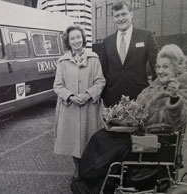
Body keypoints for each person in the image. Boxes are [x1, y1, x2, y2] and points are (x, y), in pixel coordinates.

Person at [71, 44, 187, 194]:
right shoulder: (155, 86)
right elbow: (138, 108)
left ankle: (97, 187)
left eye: (165, 67)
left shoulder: (181, 89)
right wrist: (123, 115)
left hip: (156, 143)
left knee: (107, 147)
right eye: (158, 66)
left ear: (176, 68)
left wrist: (174, 98)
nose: (160, 70)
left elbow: (178, 119)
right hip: (139, 135)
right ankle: (93, 183)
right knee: (100, 136)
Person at [53, 25, 106, 179]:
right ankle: (77, 169)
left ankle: (89, 170)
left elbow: (100, 81)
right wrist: (70, 96)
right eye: (72, 38)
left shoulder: (94, 58)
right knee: (74, 142)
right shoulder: (62, 61)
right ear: (68, 42)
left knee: (90, 140)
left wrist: (88, 95)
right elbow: (57, 86)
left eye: (78, 37)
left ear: (83, 39)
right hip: (70, 108)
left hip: (90, 107)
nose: (76, 41)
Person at [101, 0, 158, 107]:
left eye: (124, 14)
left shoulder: (146, 36)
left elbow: (156, 67)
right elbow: (103, 72)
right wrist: (105, 96)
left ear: (131, 14)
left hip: (139, 98)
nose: (121, 18)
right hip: (112, 100)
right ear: (113, 18)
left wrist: (153, 93)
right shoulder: (107, 42)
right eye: (117, 16)